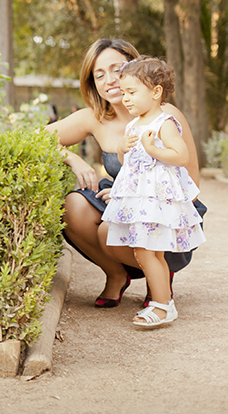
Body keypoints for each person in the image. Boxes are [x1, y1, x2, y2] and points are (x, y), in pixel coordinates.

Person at [45, 39, 206, 309]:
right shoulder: (94, 117)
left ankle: (162, 277)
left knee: (111, 228)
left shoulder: (165, 116)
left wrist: (130, 198)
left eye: (117, 70)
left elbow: (191, 184)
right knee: (73, 205)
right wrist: (72, 158)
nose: (110, 80)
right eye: (99, 75)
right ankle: (116, 275)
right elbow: (34, 139)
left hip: (168, 215)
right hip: (123, 206)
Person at [101, 57, 205, 327]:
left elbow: (180, 156)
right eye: (124, 93)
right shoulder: (133, 125)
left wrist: (153, 149)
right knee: (146, 251)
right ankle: (162, 303)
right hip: (140, 201)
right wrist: (123, 148)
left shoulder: (164, 122)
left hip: (157, 200)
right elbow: (129, 164)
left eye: (132, 92)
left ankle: (162, 305)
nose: (125, 99)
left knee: (149, 252)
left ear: (156, 92)